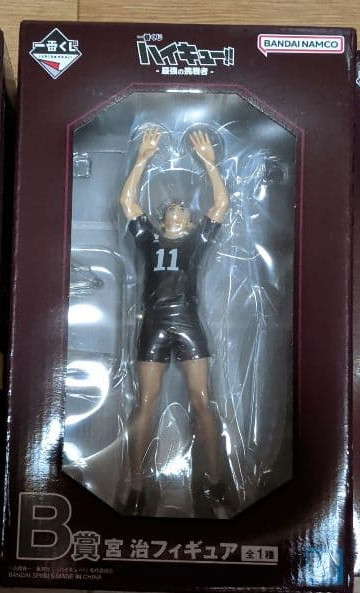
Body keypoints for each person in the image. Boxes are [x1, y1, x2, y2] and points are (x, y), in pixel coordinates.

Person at [119, 127, 232, 516]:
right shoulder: (148, 239)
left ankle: (216, 481)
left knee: (202, 401)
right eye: (173, 209)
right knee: (145, 401)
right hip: (153, 324)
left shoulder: (196, 242)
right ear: (163, 217)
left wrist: (210, 164)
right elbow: (127, 201)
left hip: (187, 323)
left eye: (185, 210)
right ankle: (136, 484)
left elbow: (221, 204)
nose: (180, 212)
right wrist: (142, 159)